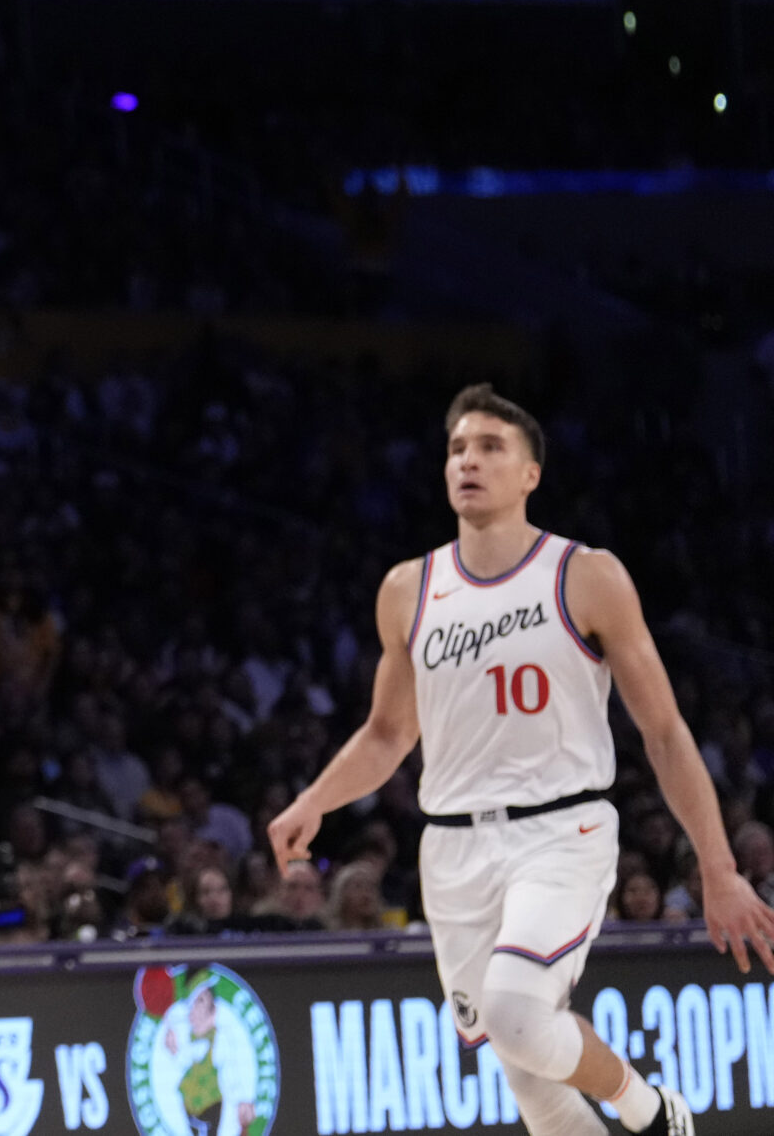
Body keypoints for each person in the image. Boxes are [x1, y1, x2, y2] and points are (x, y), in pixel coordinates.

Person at [272, 384, 774, 1136]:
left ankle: (653, 1112)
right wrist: (315, 798)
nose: (467, 461)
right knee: (526, 1070)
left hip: (559, 830)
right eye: (456, 449)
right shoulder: (408, 589)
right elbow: (385, 734)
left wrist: (717, 865)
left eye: (489, 447)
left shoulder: (586, 574)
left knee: (515, 1012)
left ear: (531, 474)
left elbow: (665, 731)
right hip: (451, 845)